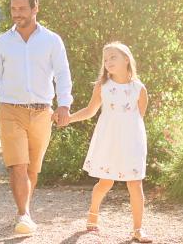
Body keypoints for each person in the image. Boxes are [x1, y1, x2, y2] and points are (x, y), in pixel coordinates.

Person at [0, 0, 73, 235]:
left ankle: (26, 210)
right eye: (13, 9)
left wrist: (64, 104)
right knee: (18, 166)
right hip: (11, 110)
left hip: (42, 112)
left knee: (32, 169)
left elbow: (62, 73)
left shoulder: (52, 40)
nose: (16, 14)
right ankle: (24, 214)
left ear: (34, 8)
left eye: (21, 9)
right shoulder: (3, 41)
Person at [65, 42, 152, 243]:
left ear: (126, 59)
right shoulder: (102, 86)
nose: (108, 62)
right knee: (105, 181)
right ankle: (92, 216)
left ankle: (138, 229)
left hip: (132, 140)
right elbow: (89, 111)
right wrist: (67, 119)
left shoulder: (139, 88)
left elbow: (139, 116)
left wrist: (129, 134)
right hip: (108, 139)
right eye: (105, 59)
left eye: (113, 57)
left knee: (135, 183)